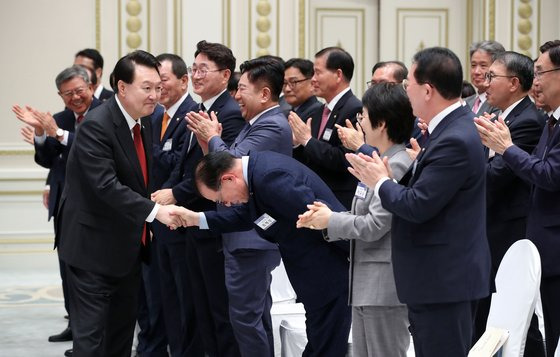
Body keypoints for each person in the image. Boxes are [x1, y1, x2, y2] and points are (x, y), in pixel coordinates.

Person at [346, 47, 491, 356]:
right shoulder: (448, 131)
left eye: (407, 83)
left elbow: (417, 205)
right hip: (436, 279)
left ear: (427, 90)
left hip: (445, 280)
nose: (404, 91)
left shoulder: (454, 138)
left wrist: (381, 181)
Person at [55, 50, 180, 357]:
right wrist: (155, 212)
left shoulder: (145, 121)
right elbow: (105, 186)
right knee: (92, 343)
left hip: (128, 249)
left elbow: (141, 176)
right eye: (146, 88)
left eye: (157, 87)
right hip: (91, 251)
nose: (154, 95)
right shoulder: (96, 126)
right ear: (122, 87)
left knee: (121, 338)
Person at [169, 150, 351, 357]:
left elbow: (317, 220)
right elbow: (250, 216)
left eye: (221, 199)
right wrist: (197, 219)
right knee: (321, 341)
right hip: (314, 271)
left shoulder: (270, 177)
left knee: (326, 344)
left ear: (228, 178)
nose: (226, 204)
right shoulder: (259, 173)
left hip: (327, 270)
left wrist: (354, 255)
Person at [297, 82, 414, 357]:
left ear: (381, 123)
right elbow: (362, 215)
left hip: (385, 286)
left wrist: (331, 221)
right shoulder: (378, 160)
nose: (360, 123)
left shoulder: (396, 164)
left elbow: (375, 225)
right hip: (365, 283)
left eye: (364, 116)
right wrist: (325, 218)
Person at [186, 56, 292, 357]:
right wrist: (210, 142)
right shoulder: (254, 124)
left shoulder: (271, 126)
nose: (236, 96)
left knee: (245, 319)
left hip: (251, 240)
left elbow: (231, 167)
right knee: (253, 316)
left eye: (242, 88)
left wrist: (213, 137)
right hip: (246, 237)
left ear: (264, 94)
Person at [152, 40, 244, 357]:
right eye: (194, 69)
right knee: (198, 304)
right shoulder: (200, 110)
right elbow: (184, 163)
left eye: (203, 69)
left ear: (225, 74)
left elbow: (219, 170)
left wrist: (177, 192)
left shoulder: (229, 115)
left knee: (218, 308)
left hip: (212, 221)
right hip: (193, 221)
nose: (196, 75)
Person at [474, 40, 560, 357]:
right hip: (530, 234)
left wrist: (506, 149)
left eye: (541, 72)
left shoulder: (533, 120)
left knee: (534, 326)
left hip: (527, 234)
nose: (535, 81)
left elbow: (547, 175)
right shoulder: (549, 121)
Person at [12, 65, 102, 351]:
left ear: (90, 86)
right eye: (68, 94)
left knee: (96, 273)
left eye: (79, 91)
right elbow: (48, 159)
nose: (75, 98)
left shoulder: (106, 113)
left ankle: (95, 334)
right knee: (69, 268)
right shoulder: (60, 118)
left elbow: (94, 152)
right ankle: (76, 326)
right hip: (66, 205)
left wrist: (58, 133)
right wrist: (41, 132)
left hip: (101, 207)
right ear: (60, 96)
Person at [140, 53, 202, 357]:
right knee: (162, 296)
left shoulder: (192, 114)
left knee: (184, 298)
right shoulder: (153, 116)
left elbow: (179, 164)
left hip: (181, 221)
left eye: (162, 81)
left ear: (182, 80)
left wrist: (146, 147)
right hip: (156, 221)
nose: (157, 88)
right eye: (151, 83)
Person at [288, 46, 362, 209]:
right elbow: (311, 157)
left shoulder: (354, 109)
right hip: (316, 197)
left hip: (339, 201)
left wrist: (307, 140)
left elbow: (345, 159)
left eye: (318, 73)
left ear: (338, 75)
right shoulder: (319, 110)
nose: (313, 79)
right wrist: (298, 143)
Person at [337, 60, 408, 156]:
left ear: (402, 86)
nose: (376, 89)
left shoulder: (414, 121)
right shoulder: (367, 116)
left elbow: (392, 160)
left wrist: (360, 146)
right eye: (373, 84)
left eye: (383, 84)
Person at [465, 41, 505, 115]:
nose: (476, 72)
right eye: (473, 65)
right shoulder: (464, 102)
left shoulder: (501, 103)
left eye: (483, 65)